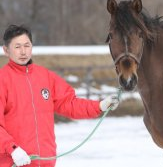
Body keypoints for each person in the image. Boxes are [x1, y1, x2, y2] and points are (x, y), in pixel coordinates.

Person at [0, 25, 119, 167]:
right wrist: (13, 149)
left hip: (45, 161)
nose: (23, 51)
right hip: (14, 161)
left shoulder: (46, 77)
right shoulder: (3, 80)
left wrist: (99, 106)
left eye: (27, 45)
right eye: (17, 47)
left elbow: (69, 103)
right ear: (6, 50)